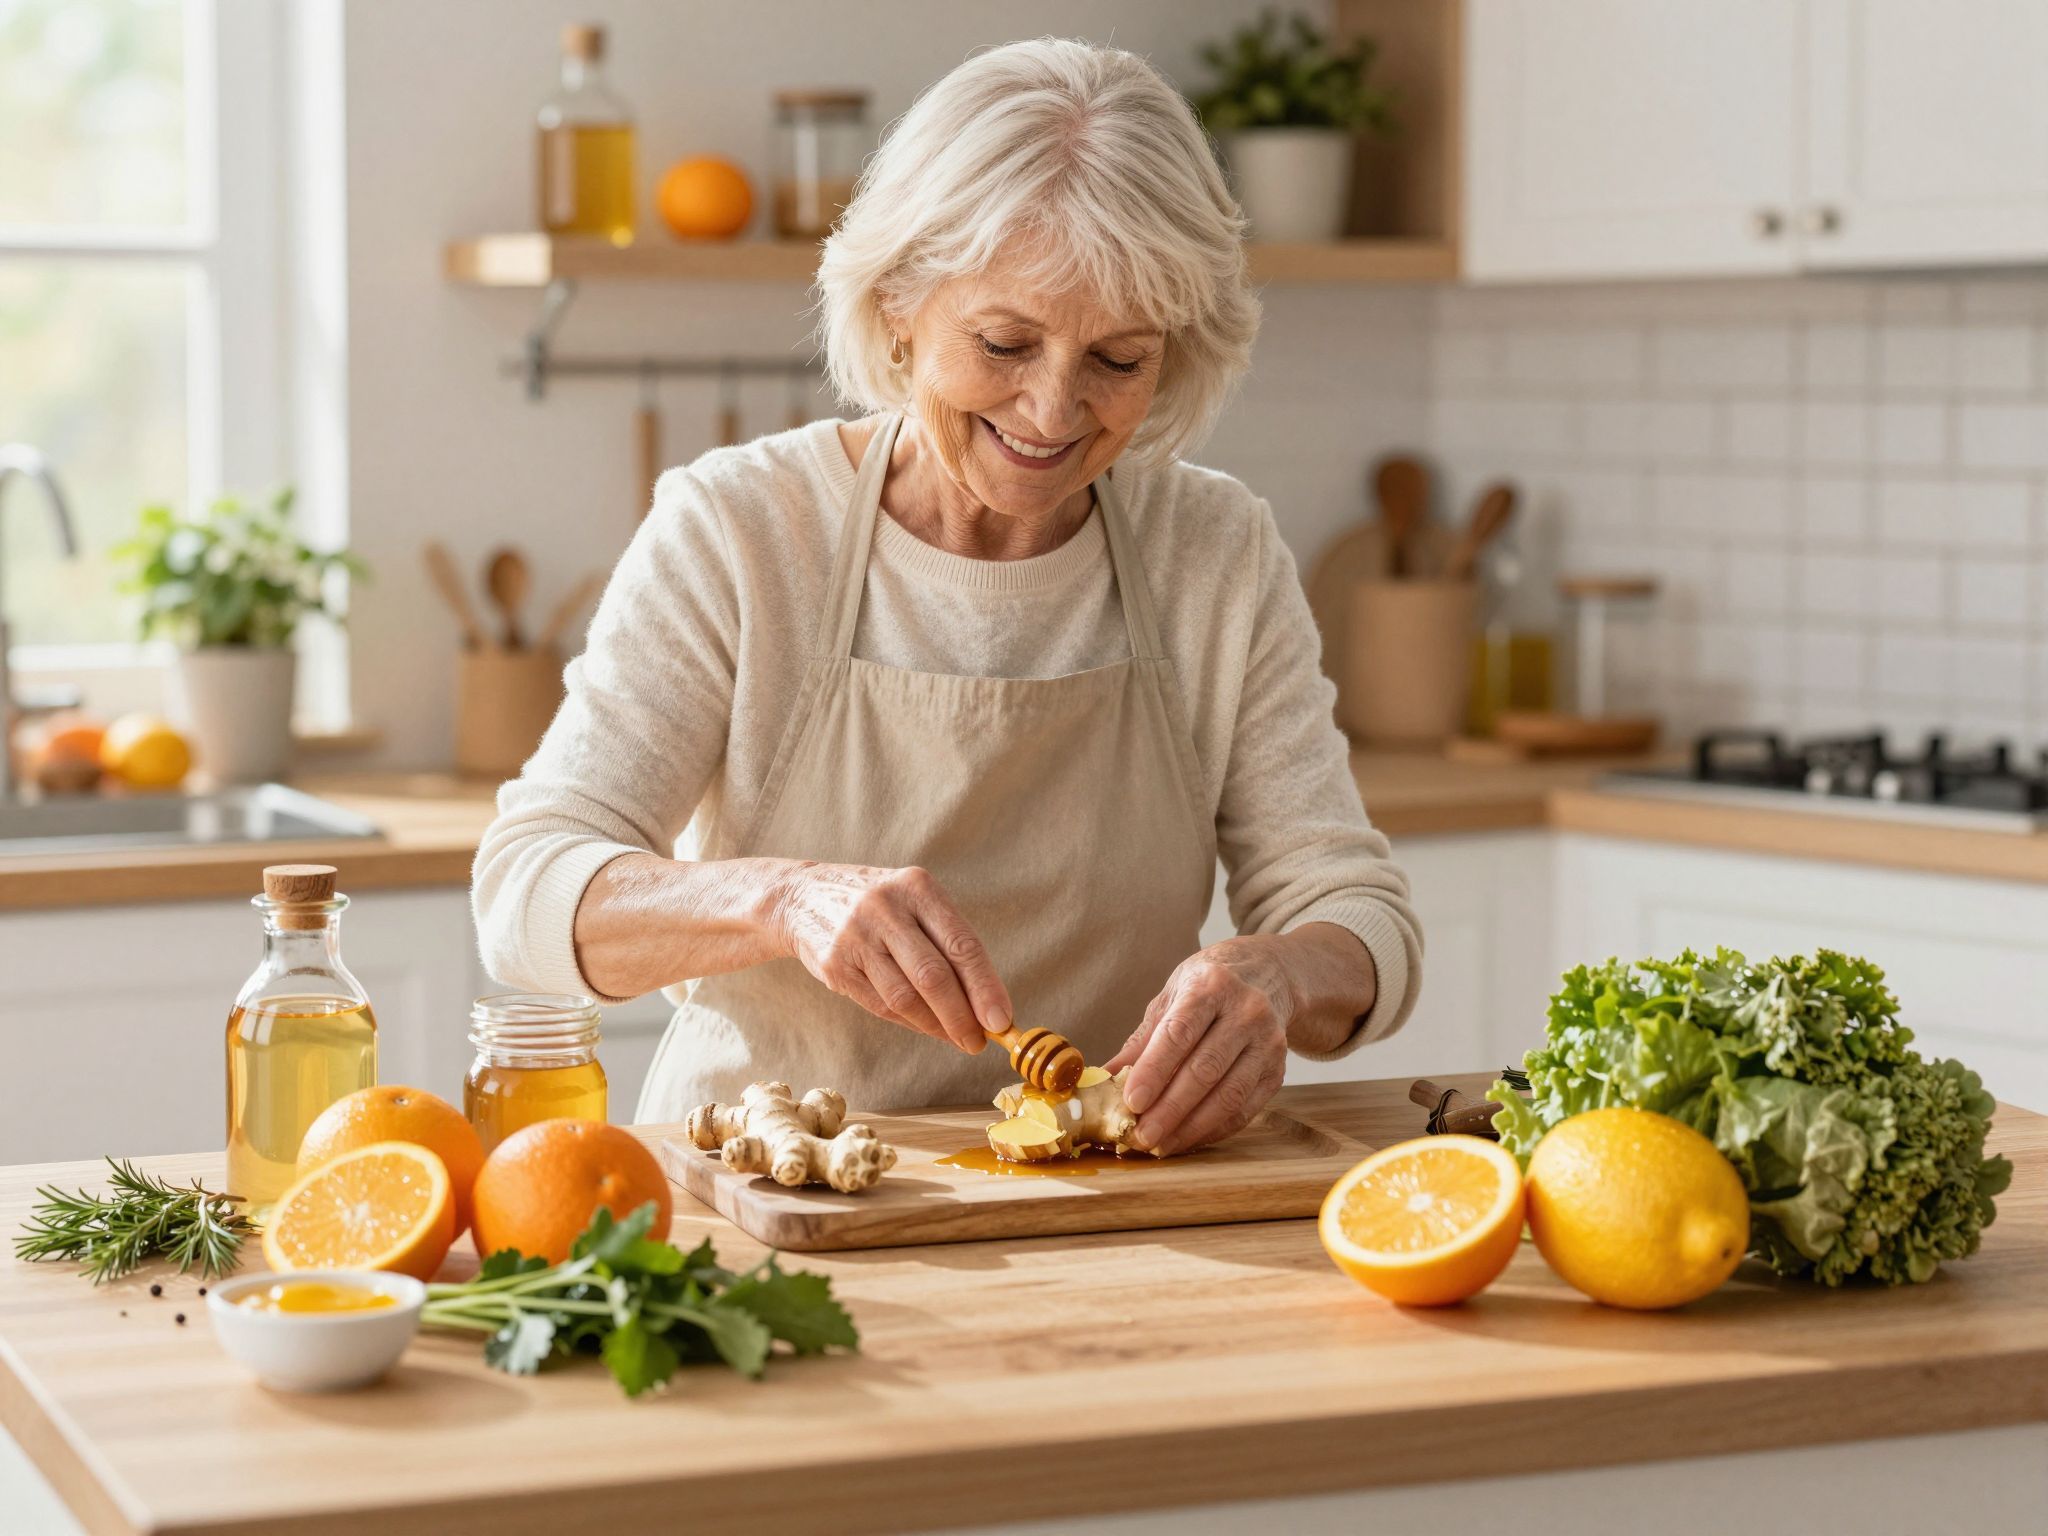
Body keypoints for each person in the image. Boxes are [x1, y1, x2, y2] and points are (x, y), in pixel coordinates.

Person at [474, 37, 1421, 1156]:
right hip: (770, 1182)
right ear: (898, 305)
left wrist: (1283, 973)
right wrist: (782, 900)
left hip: (1103, 1191)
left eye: (1118, 360)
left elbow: (1359, 913)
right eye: (1004, 343)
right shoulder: (739, 529)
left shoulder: (1214, 551)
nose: (1053, 411)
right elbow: (526, 892)